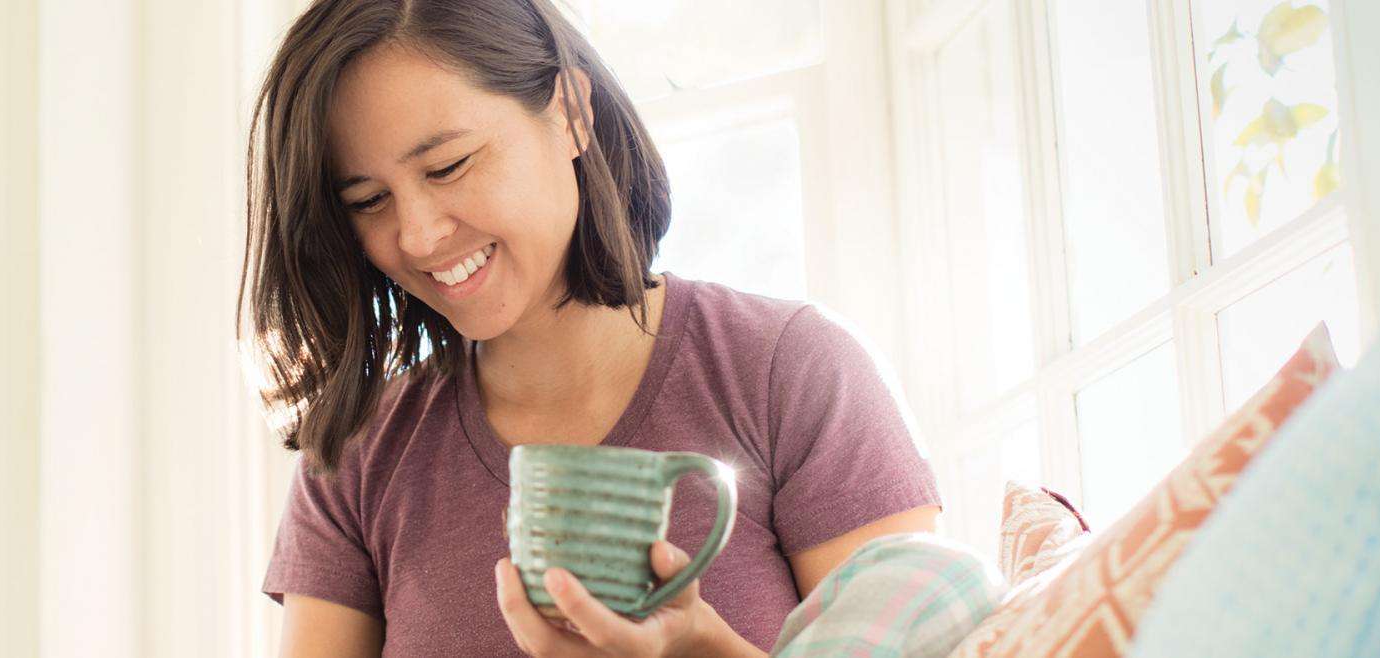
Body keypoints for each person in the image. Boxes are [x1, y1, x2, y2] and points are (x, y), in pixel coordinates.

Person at [243, 1, 941, 655]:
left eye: (448, 166)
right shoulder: (362, 458)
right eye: (368, 201)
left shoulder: (791, 371)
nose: (418, 236)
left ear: (572, 111)